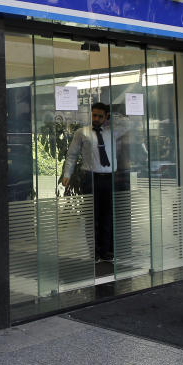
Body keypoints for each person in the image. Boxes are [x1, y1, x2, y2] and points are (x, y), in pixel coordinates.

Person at [62, 102, 120, 262]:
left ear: (106, 117)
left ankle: (107, 252)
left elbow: (129, 123)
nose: (96, 118)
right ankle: (94, 252)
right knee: (91, 217)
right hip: (90, 178)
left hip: (109, 179)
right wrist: (67, 173)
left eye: (100, 116)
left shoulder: (112, 131)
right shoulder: (82, 132)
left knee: (107, 216)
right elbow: (72, 155)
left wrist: (111, 118)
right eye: (94, 115)